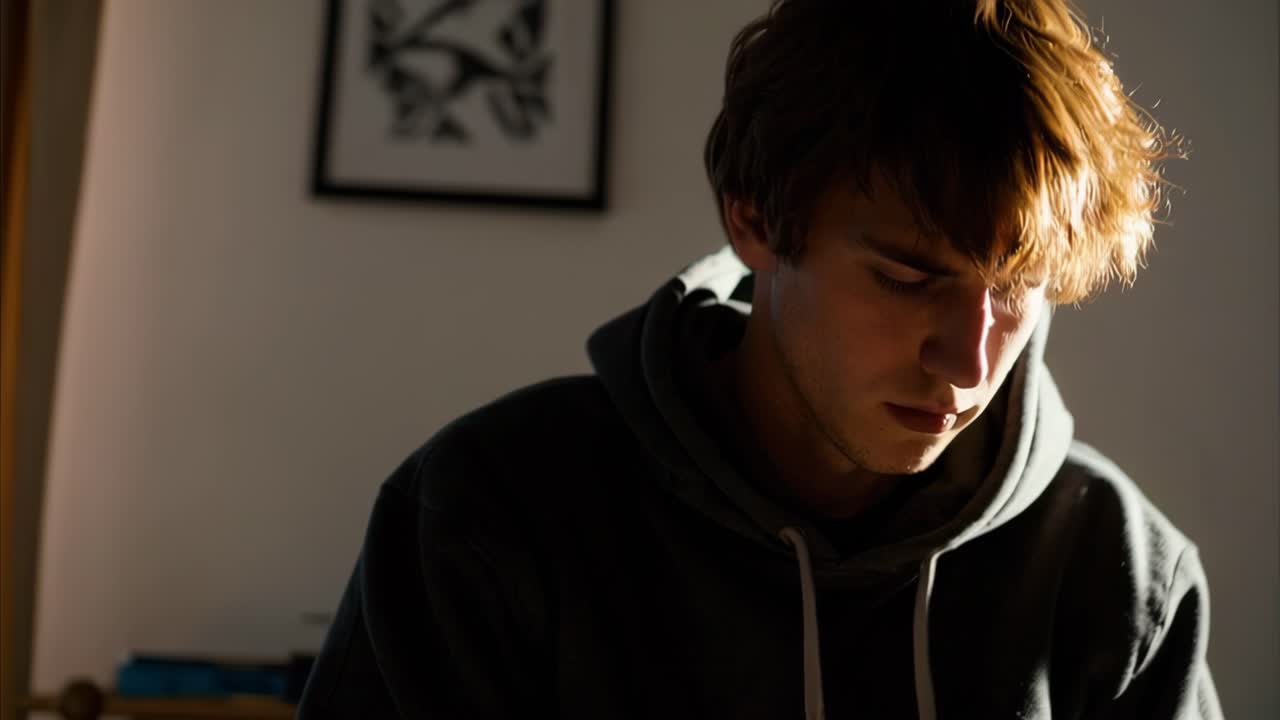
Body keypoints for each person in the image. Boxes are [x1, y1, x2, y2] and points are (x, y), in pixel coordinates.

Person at [296, 0, 1223, 717]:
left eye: (1017, 288)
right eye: (907, 277)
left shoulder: (1121, 572)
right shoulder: (487, 511)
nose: (968, 360)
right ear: (753, 217)